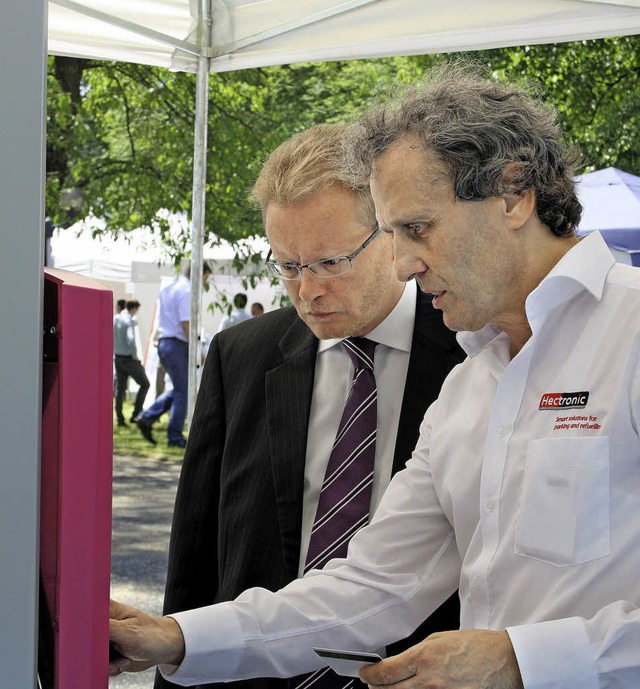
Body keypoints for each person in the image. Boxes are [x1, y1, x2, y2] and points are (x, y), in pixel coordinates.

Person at [110, 63, 640, 688]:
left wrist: (525, 662)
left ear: (514, 194)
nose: (404, 263)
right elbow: (371, 588)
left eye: (417, 228)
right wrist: (176, 636)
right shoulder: (472, 384)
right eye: (390, 234)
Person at [152, 123, 463, 689]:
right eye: (288, 265)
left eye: (330, 262)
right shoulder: (241, 356)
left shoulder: (470, 355)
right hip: (253, 674)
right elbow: (195, 555)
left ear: (390, 234)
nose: (307, 290)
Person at [135, 261, 212, 448]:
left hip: (166, 342)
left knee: (181, 388)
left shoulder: (169, 288)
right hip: (177, 343)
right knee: (183, 392)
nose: (204, 283)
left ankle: (147, 417)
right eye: (205, 278)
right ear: (198, 274)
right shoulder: (186, 292)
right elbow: (186, 325)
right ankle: (174, 436)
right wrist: (197, 351)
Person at [113, 299, 151, 426]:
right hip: (129, 358)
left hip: (118, 357)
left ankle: (119, 417)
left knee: (120, 388)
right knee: (145, 384)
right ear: (134, 309)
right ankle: (136, 414)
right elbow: (131, 341)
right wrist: (136, 357)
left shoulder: (116, 318)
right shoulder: (129, 320)